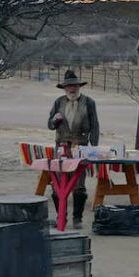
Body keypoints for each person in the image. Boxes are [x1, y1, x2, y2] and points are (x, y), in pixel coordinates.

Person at [47, 69, 100, 229]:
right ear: (64, 88)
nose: (72, 89)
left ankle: (77, 219)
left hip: (81, 147)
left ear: (79, 87)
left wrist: (93, 148)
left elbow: (95, 126)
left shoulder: (89, 102)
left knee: (79, 185)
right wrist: (54, 120)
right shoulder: (58, 102)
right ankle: (60, 217)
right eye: (69, 86)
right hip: (61, 147)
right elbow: (50, 125)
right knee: (57, 186)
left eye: (74, 86)